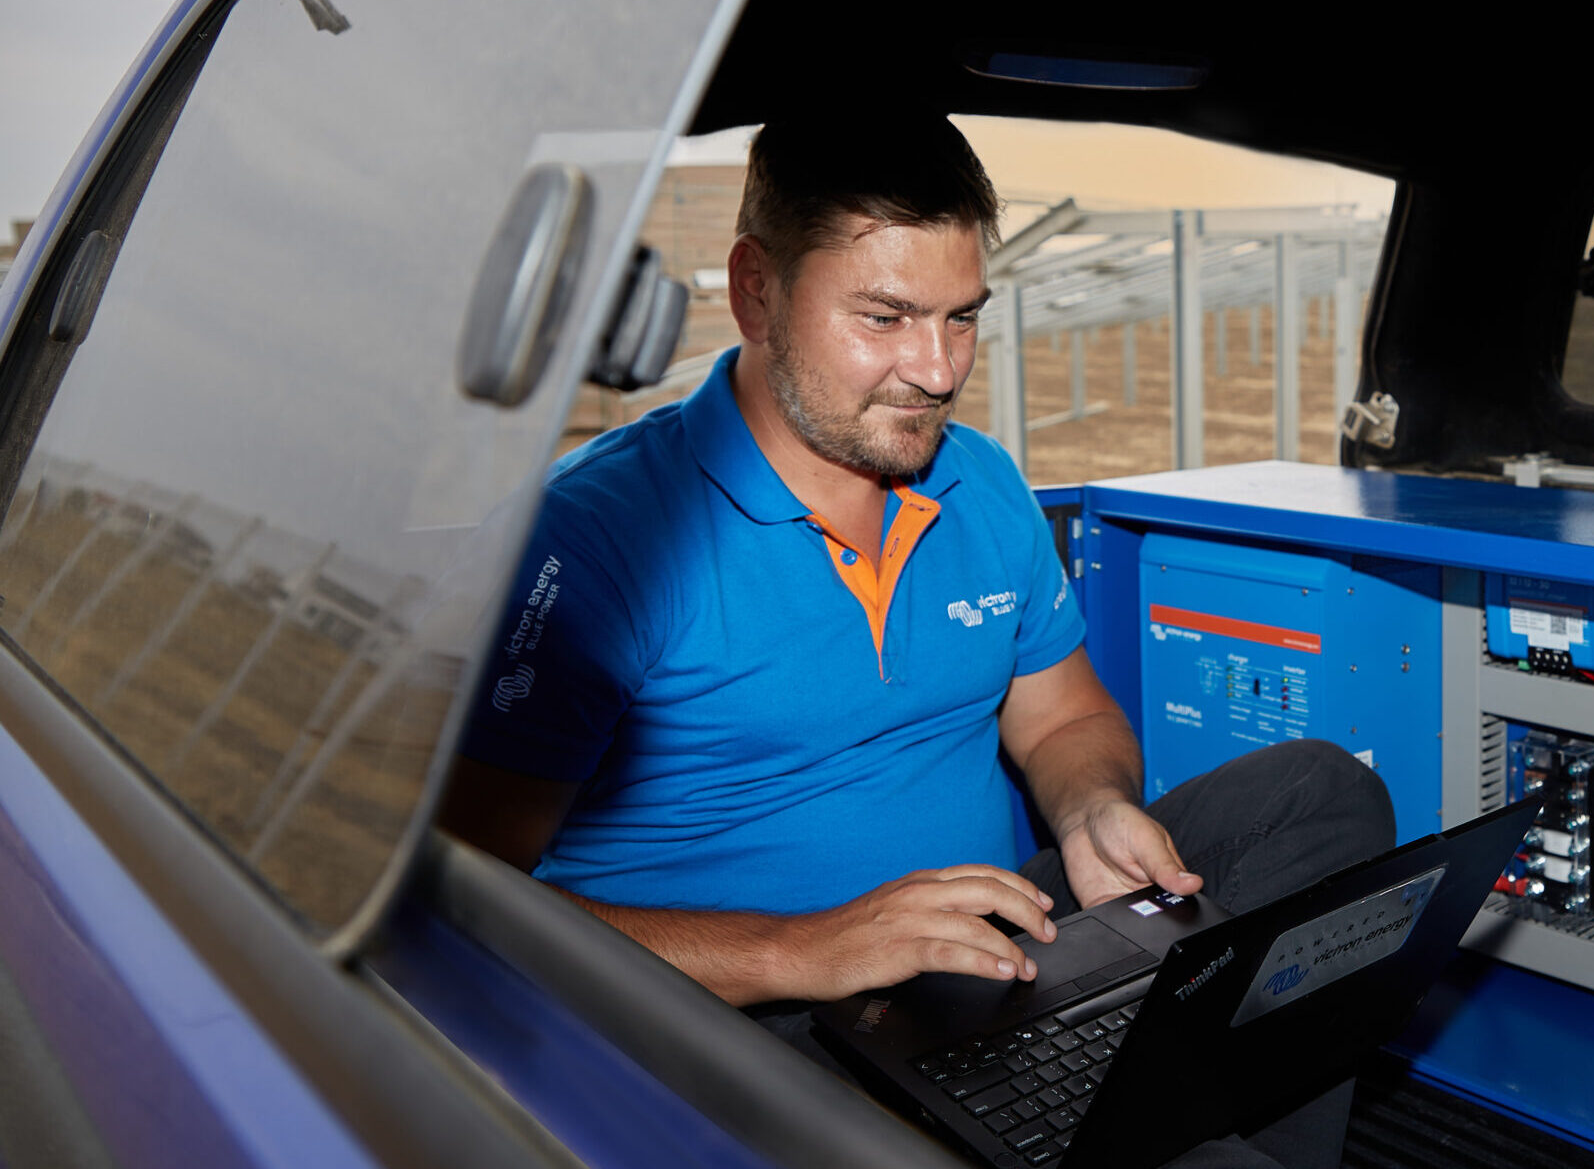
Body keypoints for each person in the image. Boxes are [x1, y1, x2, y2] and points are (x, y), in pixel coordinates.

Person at [438, 114, 1393, 1168]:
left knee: (1321, 791)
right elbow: (453, 891)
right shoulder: (598, 537)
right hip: (750, 1019)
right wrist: (801, 949)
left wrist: (1090, 806)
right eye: (885, 317)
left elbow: (1063, 717)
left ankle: (1151, 1105)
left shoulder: (979, 480)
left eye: (962, 318)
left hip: (994, 951)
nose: (937, 371)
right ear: (756, 290)